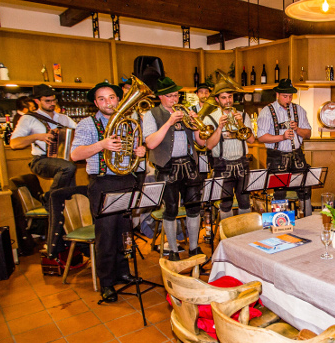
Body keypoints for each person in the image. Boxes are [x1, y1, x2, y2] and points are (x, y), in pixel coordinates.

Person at [70, 82, 147, 303]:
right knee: (106, 234)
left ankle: (123, 272)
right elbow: (75, 155)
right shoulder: (87, 124)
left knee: (125, 231)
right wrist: (101, 144)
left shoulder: (129, 123)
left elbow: (133, 151)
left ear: (118, 99)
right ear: (95, 103)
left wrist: (139, 151)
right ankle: (106, 282)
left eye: (112, 97)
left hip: (126, 179)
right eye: (102, 99)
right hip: (103, 182)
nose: (108, 102)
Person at [143, 76, 203, 258]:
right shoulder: (151, 114)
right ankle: (173, 250)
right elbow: (150, 143)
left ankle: (194, 247)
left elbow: (201, 142)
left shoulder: (187, 111)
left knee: (194, 208)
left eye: (177, 95)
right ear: (160, 97)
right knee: (170, 210)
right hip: (167, 167)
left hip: (189, 165)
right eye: (170, 96)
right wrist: (169, 122)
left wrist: (197, 124)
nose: (175, 100)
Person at [196, 79, 255, 220]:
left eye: (230, 97)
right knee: (225, 204)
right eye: (224, 98)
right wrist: (220, 128)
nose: (228, 101)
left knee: (245, 203)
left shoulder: (243, 115)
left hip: (242, 163)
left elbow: (251, 140)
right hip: (222, 165)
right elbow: (208, 145)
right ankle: (227, 236)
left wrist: (241, 124)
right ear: (217, 99)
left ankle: (243, 234)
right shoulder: (210, 118)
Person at [10, 84, 77, 204]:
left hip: (62, 159)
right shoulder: (29, 119)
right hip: (40, 160)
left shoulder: (63, 118)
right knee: (68, 167)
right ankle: (49, 199)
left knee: (70, 189)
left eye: (54, 100)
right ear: (37, 101)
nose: (52, 103)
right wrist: (37, 136)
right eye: (47, 101)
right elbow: (14, 144)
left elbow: (80, 132)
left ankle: (63, 211)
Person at [256, 78, 313, 215]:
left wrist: (297, 129)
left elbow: (308, 134)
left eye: (290, 96)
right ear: (277, 95)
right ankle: (280, 223)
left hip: (297, 155)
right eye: (285, 96)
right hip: (277, 157)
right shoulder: (267, 111)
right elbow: (261, 137)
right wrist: (282, 137)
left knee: (305, 189)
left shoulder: (299, 110)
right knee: (279, 193)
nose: (288, 99)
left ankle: (307, 220)